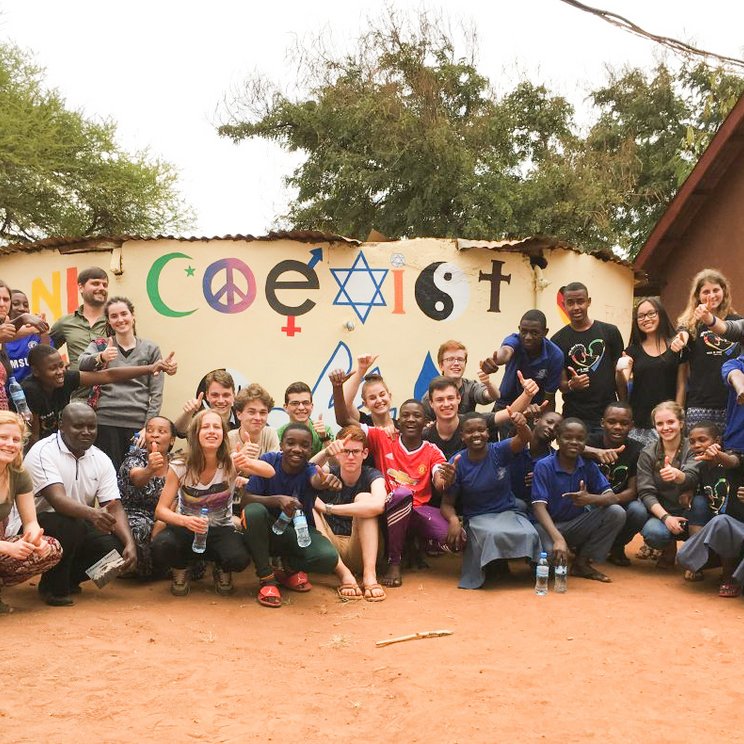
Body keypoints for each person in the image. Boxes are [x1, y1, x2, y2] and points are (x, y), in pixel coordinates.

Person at [24, 402, 137, 606]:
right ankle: (52, 588)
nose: (86, 432)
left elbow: (114, 506)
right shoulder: (43, 451)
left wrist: (130, 543)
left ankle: (69, 579)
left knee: (117, 549)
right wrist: (93, 514)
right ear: (61, 425)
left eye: (91, 427)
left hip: (77, 523)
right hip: (33, 527)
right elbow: (57, 501)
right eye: (78, 426)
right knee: (70, 524)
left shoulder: (101, 459)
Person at [152, 410, 270, 597]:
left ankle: (221, 568)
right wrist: (185, 521)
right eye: (205, 427)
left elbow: (269, 472)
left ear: (223, 434)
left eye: (217, 427)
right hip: (187, 528)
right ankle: (181, 568)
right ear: (195, 434)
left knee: (239, 558)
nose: (212, 431)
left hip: (220, 528)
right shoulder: (180, 465)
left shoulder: (230, 462)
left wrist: (247, 462)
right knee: (161, 546)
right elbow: (160, 510)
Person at [241, 423, 345, 608]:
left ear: (311, 449)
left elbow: (317, 481)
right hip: (268, 532)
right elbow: (246, 500)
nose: (297, 449)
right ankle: (267, 579)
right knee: (253, 512)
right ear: (281, 445)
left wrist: (326, 481)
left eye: (304, 445)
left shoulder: (310, 469)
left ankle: (288, 568)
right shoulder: (269, 461)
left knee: (328, 557)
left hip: (299, 531)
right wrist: (277, 500)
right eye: (290, 443)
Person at [441, 411, 541, 589]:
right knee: (493, 534)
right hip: (478, 517)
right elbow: (447, 504)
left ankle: (534, 573)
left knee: (530, 534)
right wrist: (454, 520)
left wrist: (521, 424)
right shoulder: (457, 461)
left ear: (488, 433)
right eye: (470, 431)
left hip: (507, 511)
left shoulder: (499, 450)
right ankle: (491, 568)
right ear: (462, 436)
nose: (476, 435)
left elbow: (525, 438)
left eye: (481, 430)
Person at [364, 399, 457, 587]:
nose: (411, 419)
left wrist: (446, 480)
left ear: (425, 423)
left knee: (456, 542)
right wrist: (337, 388)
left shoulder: (432, 450)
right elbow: (344, 420)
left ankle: (415, 547)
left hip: (418, 511)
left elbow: (439, 481)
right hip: (389, 509)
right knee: (401, 494)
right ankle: (394, 562)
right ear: (398, 421)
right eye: (405, 415)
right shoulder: (384, 439)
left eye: (417, 416)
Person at [78, 296, 177, 471]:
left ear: (133, 316)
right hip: (105, 422)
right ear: (109, 320)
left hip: (136, 425)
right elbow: (81, 364)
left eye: (124, 314)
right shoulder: (102, 345)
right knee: (107, 478)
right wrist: (102, 357)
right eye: (114, 316)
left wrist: (147, 427)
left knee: (134, 477)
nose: (120, 319)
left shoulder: (150, 349)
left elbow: (156, 393)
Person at [531, 417, 626, 582]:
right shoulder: (544, 465)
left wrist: (590, 499)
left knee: (616, 512)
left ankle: (581, 564)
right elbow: (538, 507)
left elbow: (612, 498)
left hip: (574, 525)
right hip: (546, 527)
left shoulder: (588, 465)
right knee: (552, 568)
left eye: (580, 439)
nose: (574, 442)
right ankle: (538, 556)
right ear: (558, 440)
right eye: (568, 437)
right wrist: (558, 539)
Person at [22, 344, 173, 448]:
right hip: (36, 448)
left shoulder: (66, 378)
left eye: (61, 365)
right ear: (36, 372)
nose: (60, 371)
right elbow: (33, 437)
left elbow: (108, 376)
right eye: (52, 368)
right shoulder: (31, 390)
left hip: (55, 443)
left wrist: (150, 368)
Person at [311, 426, 387, 601]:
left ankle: (370, 575)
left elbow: (378, 505)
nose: (351, 457)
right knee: (309, 502)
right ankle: (344, 574)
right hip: (330, 549)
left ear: (365, 453)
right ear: (337, 453)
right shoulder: (329, 473)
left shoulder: (372, 475)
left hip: (361, 547)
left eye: (356, 451)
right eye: (345, 451)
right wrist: (326, 453)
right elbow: (302, 473)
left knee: (365, 498)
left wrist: (329, 508)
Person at [0, 411, 62, 613]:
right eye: (3, 437)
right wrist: (8, 548)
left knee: (51, 548)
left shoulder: (18, 474)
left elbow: (30, 522)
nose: (10, 444)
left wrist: (35, 539)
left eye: (16, 439)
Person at [636, 401, 708, 571]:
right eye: (660, 423)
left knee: (700, 502)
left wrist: (678, 475)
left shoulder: (692, 447)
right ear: (654, 426)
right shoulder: (647, 453)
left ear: (681, 423)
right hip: (662, 512)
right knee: (654, 533)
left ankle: (695, 561)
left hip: (689, 511)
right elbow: (646, 493)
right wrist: (666, 518)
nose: (665, 427)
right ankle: (668, 548)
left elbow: (692, 477)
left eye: (671, 422)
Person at [677, 421, 744, 596]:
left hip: (738, 529)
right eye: (692, 441)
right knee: (684, 557)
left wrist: (718, 455)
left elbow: (733, 462)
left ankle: (729, 578)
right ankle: (721, 564)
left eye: (702, 440)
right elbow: (690, 480)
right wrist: (688, 489)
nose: (697, 445)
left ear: (717, 440)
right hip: (721, 535)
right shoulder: (701, 467)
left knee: (722, 522)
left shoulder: (734, 457)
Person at [672, 269, 740, 432]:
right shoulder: (690, 325)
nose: (711, 296)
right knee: (699, 455)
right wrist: (680, 341)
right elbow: (684, 334)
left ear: (724, 291)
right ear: (698, 296)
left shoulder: (737, 323)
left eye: (715, 290)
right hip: (699, 406)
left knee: (731, 455)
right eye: (706, 292)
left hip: (732, 404)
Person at [551, 282, 624, 432]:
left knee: (610, 455)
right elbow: (561, 385)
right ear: (564, 305)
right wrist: (572, 385)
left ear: (588, 302)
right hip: (576, 417)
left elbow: (619, 377)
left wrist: (624, 406)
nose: (576, 307)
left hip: (608, 415)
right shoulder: (557, 341)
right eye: (570, 303)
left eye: (580, 301)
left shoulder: (610, 332)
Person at [583, 402, 647, 566]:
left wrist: (606, 500)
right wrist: (595, 452)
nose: (618, 427)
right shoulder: (590, 441)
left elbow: (633, 491)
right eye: (612, 422)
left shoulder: (637, 449)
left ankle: (616, 546)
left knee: (638, 511)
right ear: (602, 422)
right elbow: (567, 447)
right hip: (587, 502)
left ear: (631, 426)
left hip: (616, 502)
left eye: (624, 423)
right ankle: (584, 547)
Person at [616, 298, 684, 445]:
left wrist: (678, 416)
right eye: (641, 316)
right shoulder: (632, 351)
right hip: (640, 422)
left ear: (660, 314)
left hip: (668, 422)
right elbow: (622, 383)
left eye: (651, 314)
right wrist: (619, 371)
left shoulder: (677, 346)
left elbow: (681, 385)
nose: (646, 319)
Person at [118, 416, 177, 580]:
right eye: (150, 430)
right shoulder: (134, 458)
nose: (155, 435)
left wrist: (163, 520)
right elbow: (137, 478)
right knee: (140, 528)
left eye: (162, 431)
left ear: (172, 440)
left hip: (165, 514)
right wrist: (149, 469)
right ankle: (143, 570)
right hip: (134, 513)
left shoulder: (177, 463)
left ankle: (169, 569)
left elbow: (179, 496)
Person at [482, 309, 563, 412]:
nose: (528, 337)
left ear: (545, 332)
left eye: (534, 333)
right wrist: (496, 360)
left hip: (532, 409)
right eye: (524, 331)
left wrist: (543, 415)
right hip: (505, 405)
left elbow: (549, 396)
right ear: (519, 329)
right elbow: (506, 352)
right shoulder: (514, 339)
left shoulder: (555, 355)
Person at [49, 267, 109, 383]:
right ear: (81, 287)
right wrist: (60, 365)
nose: (101, 288)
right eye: (95, 283)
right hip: (79, 394)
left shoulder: (115, 321)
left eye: (105, 285)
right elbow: (47, 352)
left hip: (112, 393)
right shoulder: (65, 323)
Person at [421, 340, 497, 419]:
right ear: (441, 366)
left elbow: (492, 396)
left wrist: (488, 383)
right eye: (450, 359)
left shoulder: (471, 387)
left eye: (460, 359)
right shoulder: (429, 397)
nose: (456, 363)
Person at [508, 410, 563, 510]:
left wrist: (545, 479)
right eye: (549, 422)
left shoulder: (556, 460)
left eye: (557, 428)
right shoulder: (516, 444)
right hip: (503, 503)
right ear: (536, 420)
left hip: (535, 512)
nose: (551, 428)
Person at [331, 354, 395, 429]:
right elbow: (344, 405)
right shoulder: (364, 424)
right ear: (365, 404)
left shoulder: (401, 426)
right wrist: (361, 370)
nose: (379, 400)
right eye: (372, 398)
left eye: (382, 395)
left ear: (389, 396)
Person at [5, 289, 52, 383]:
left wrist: (43, 333)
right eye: (16, 303)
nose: (22, 308)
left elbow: (48, 360)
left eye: (26, 305)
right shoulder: (3, 334)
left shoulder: (34, 333)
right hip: (8, 393)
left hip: (33, 391)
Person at [174, 369, 239, 436]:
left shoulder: (241, 416)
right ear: (207, 395)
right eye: (215, 395)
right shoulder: (198, 414)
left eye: (226, 395)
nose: (221, 401)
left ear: (234, 395)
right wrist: (187, 413)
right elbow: (178, 432)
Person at [277, 381, 334, 455]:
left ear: (312, 406)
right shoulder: (278, 434)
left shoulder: (325, 431)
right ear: (285, 407)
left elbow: (333, 464)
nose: (301, 407)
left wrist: (325, 438)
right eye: (295, 403)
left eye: (305, 403)